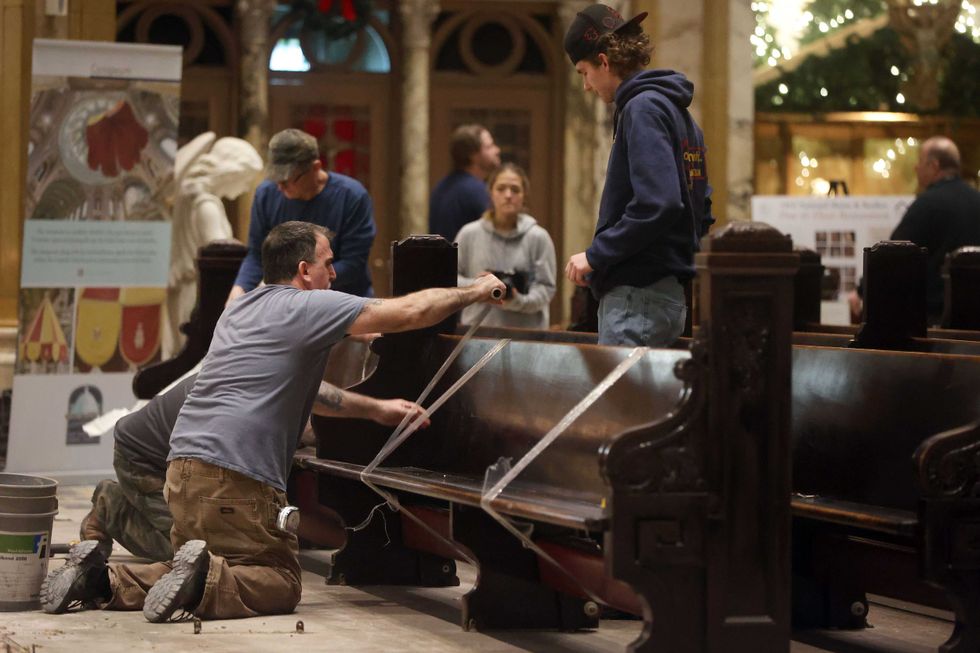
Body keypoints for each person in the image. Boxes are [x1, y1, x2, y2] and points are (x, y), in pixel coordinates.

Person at [41, 220, 505, 623]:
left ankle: (100, 580)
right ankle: (200, 584)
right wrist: (477, 289)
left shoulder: (239, 310)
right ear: (304, 271)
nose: (335, 272)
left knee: (200, 563)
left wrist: (375, 408)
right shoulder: (308, 305)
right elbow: (410, 311)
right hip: (237, 481)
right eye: (328, 263)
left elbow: (307, 389)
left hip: (181, 474)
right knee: (281, 579)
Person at [79, 371, 429, 562]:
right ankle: (112, 506)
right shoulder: (263, 426)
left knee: (227, 536)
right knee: (192, 555)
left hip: (174, 453)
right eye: (312, 440)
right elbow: (272, 511)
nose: (311, 446)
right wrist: (348, 541)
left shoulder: (276, 388)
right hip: (143, 459)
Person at [562, 4, 713, 347]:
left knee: (623, 402)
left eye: (583, 72)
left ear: (603, 61)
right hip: (664, 292)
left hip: (638, 297)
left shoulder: (642, 108)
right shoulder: (678, 112)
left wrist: (597, 254)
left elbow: (658, 203)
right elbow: (701, 205)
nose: (586, 85)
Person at [227, 128, 376, 302]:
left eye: (287, 180)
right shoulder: (266, 194)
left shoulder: (352, 196)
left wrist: (297, 287)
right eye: (276, 179)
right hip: (287, 302)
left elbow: (353, 264)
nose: (280, 187)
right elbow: (256, 255)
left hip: (344, 299)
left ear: (316, 168)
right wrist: (240, 289)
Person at [166, 134, 263, 357]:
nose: (246, 186)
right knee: (197, 360)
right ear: (230, 172)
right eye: (245, 178)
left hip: (193, 289)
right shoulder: (207, 205)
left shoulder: (197, 199)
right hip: (200, 293)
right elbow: (223, 258)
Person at [885, 136, 980, 324]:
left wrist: (862, 290)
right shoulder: (977, 200)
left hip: (937, 319)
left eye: (920, 161)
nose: (916, 168)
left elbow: (892, 254)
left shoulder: (927, 204)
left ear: (934, 166)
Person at [456, 163, 556, 329]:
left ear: (524, 195)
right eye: (501, 188)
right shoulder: (469, 234)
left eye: (515, 190)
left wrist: (517, 300)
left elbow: (546, 289)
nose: (508, 195)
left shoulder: (538, 237)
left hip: (527, 337)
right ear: (490, 193)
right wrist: (479, 287)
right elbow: (451, 280)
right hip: (477, 334)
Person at [428, 124, 501, 242]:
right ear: (473, 156)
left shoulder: (441, 187)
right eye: (489, 146)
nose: (497, 150)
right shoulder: (475, 191)